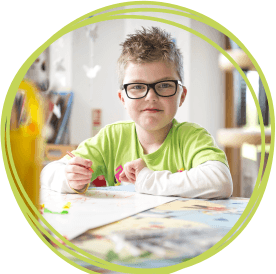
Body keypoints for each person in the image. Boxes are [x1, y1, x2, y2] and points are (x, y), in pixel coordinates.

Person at [40, 26, 233, 199]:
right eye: (138, 86)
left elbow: (221, 181)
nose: (150, 96)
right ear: (123, 98)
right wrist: (69, 177)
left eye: (165, 85)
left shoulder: (192, 137)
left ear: (181, 95)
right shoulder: (111, 138)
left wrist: (147, 179)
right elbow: (48, 172)